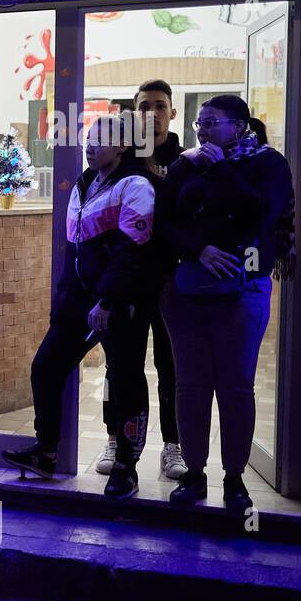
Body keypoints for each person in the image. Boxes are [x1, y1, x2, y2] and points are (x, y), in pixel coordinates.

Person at [3, 112, 160, 499]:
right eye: (88, 139)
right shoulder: (85, 182)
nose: (91, 146)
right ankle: (46, 452)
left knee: (125, 381)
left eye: (100, 140)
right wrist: (63, 300)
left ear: (122, 146)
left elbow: (131, 252)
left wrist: (108, 300)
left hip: (119, 304)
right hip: (78, 301)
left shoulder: (136, 185)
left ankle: (126, 466)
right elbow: (73, 249)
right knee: (46, 367)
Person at [157, 95, 295, 514]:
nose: (201, 130)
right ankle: (195, 475)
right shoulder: (188, 163)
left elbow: (262, 213)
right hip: (187, 288)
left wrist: (220, 169)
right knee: (191, 385)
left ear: (238, 126)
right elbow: (161, 218)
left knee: (235, 386)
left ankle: (234, 479)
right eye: (199, 123)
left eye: (211, 122)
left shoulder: (267, 162)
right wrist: (199, 248)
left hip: (243, 286)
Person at [92, 81, 187, 480]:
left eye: (159, 106)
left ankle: (173, 446)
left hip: (170, 283)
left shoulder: (187, 162)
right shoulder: (121, 159)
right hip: (127, 285)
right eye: (144, 106)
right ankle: (115, 437)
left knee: (172, 367)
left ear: (172, 113)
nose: (152, 113)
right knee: (119, 368)